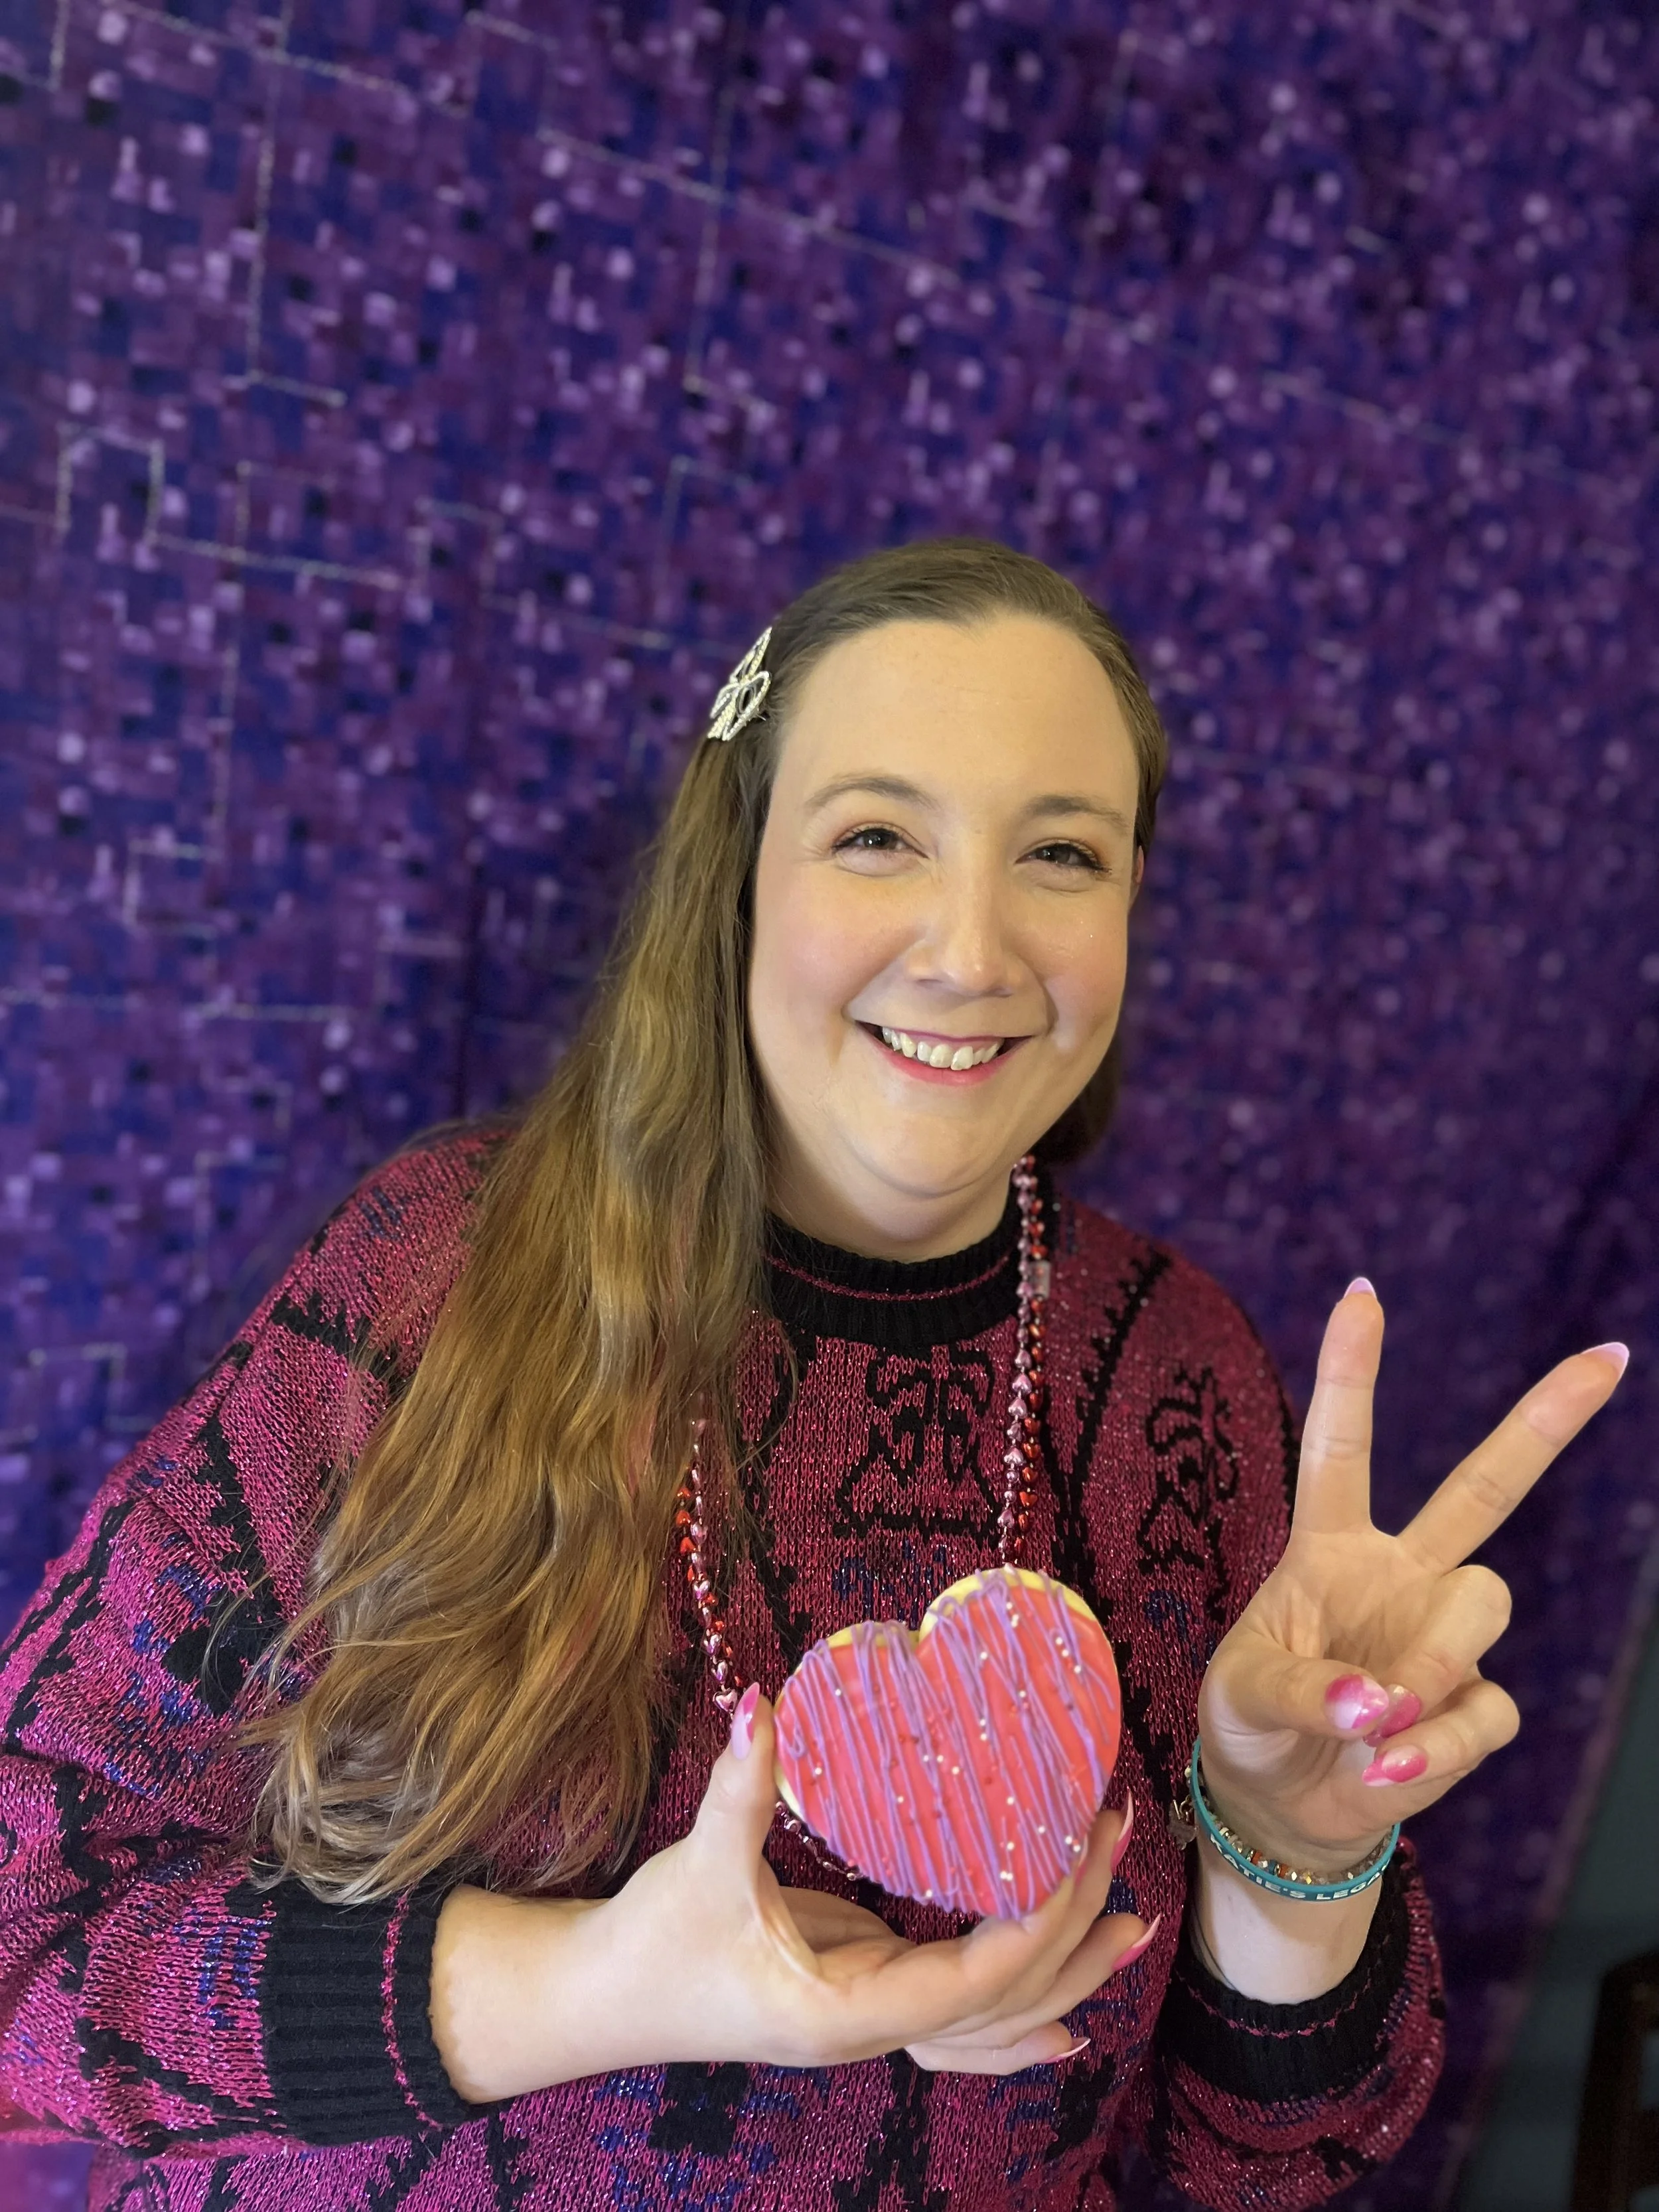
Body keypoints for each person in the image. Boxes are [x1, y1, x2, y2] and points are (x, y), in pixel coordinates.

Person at [0, 539, 1624, 2212]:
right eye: (876, 836)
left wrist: (1292, 1848)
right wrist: (596, 1985)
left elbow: (1262, 2156)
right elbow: (27, 1935)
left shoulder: (1179, 1374)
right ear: (738, 875)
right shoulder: (432, 1276)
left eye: (1058, 853)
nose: (970, 950)